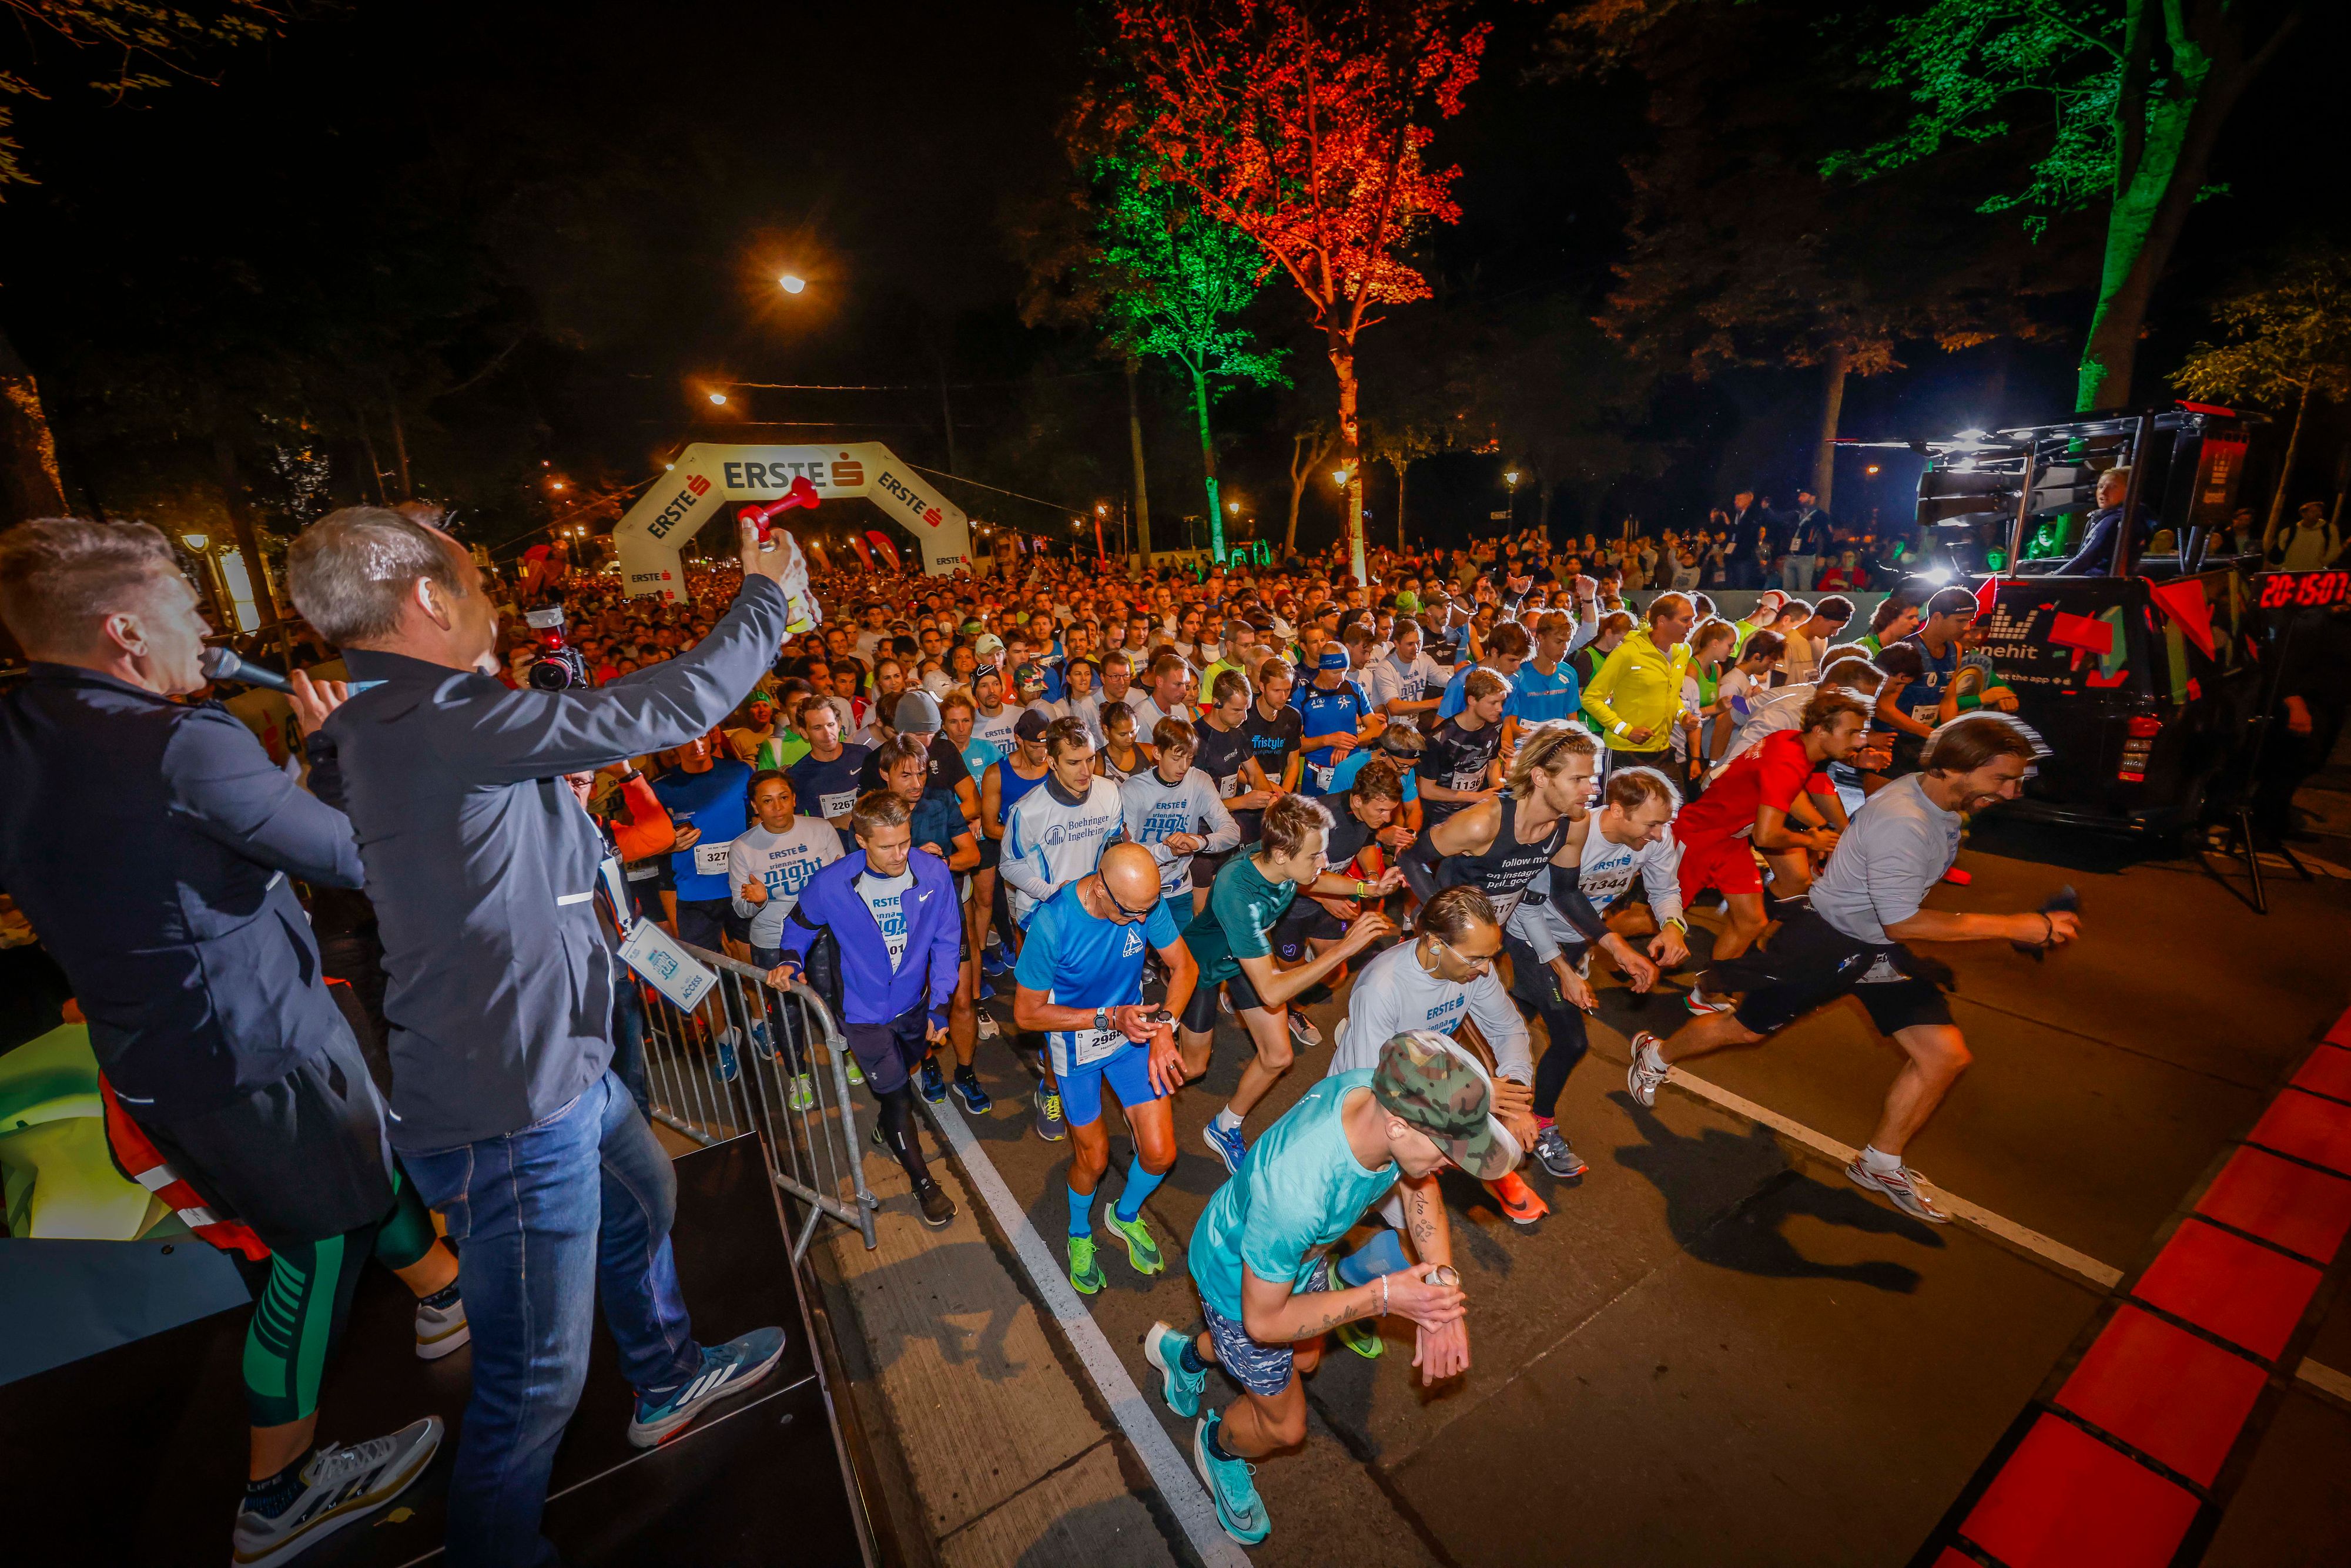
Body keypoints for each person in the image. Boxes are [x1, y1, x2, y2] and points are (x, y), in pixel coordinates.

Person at [287, 506, 797, 1567]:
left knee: (647, 1195)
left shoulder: (379, 718)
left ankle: (665, 1379)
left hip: (563, 1065)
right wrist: (766, 591)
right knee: (533, 1382)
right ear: (427, 599)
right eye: (472, 581)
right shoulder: (442, 710)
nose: (493, 598)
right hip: (513, 1104)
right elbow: (682, 698)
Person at [0, 518, 461, 1568]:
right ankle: (281, 1492)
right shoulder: (183, 741)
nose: (206, 626)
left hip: (153, 1054)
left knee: (354, 1177)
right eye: (186, 604)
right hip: (259, 1052)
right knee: (316, 1249)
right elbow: (353, 856)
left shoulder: (18, 730)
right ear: (123, 628)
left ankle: (442, 1291)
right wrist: (337, 755)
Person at [1630, 713, 2075, 1222]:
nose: (2013, 791)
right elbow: (1905, 922)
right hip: (1825, 944)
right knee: (1745, 1031)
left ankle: (1880, 1162)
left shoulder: (1938, 799)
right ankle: (1657, 1053)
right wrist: (2013, 927)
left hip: (1876, 950)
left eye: (2016, 779)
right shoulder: (1905, 822)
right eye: (2001, 779)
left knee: (1943, 1056)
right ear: (1955, 767)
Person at [1141, 1031, 1505, 1546]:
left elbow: (1422, 1190)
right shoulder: (1300, 1188)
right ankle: (1220, 1447)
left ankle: (1190, 1356)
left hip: (1295, 1259)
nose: (1452, 1164)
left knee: (1305, 1362)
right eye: (1450, 1151)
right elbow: (1263, 1322)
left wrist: (1441, 1291)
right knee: (1285, 1429)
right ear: (1400, 1127)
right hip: (1239, 1285)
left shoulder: (1378, 1099)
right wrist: (1384, 1297)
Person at [767, 789, 964, 1228]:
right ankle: (923, 1183)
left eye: (905, 842)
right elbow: (797, 927)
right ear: (861, 841)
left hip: (914, 1007)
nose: (900, 855)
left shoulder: (933, 874)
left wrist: (939, 1007)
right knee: (898, 1096)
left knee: (904, 1074)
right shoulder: (831, 884)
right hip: (862, 1014)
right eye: (887, 846)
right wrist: (788, 959)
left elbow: (947, 944)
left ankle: (886, 1128)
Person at [1012, 842, 1201, 1293]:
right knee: (1092, 1160)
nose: (1142, 922)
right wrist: (1106, 1017)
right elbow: (1026, 1014)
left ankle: (1124, 1216)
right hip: (1076, 1045)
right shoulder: (1053, 923)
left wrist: (1163, 1027)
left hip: (1131, 1030)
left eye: (1147, 911)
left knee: (1160, 1153)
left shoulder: (1141, 900)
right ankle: (1079, 1231)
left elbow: (1185, 967)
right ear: (1101, 888)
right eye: (1133, 912)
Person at [1177, 793, 1403, 1171]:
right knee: (1192, 1068)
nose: (1324, 862)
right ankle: (1143, 1071)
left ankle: (1225, 1127)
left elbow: (1313, 879)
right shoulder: (1240, 893)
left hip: (1249, 960)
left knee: (1278, 1056)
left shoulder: (1282, 864)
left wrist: (1368, 888)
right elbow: (1272, 990)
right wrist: (1344, 949)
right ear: (1283, 854)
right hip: (1204, 966)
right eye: (1315, 855)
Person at [1504, 766, 1687, 1179]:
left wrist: (1673, 926)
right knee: (1570, 1040)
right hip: (1529, 936)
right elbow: (1531, 906)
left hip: (1578, 940)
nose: (1659, 835)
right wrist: (1566, 970)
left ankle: (1448, 1056)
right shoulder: (1571, 834)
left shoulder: (1656, 838)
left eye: (1664, 824)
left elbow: (1665, 889)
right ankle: (1541, 1125)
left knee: (1516, 1017)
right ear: (1618, 811)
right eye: (1652, 824)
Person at [1330, 887, 1546, 1230]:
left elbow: (1508, 1030)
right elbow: (1375, 1086)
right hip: (1370, 1107)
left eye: (1492, 956)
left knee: (1411, 1225)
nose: (1487, 969)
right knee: (1346, 1215)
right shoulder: (1382, 989)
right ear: (1434, 944)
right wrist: (1474, 1096)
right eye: (1476, 958)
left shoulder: (1475, 970)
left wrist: (1515, 1099)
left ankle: (1351, 1274)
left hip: (1433, 1093)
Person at [1676, 688, 1870, 1006]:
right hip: (1699, 838)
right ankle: (1582, 938)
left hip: (1730, 842)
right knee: (1661, 918)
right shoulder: (1789, 762)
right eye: (1852, 733)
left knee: (1751, 921)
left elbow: (1799, 792)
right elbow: (1767, 837)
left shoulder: (1792, 741)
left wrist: (1826, 830)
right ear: (1820, 731)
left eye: (1861, 733)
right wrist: (1813, 840)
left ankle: (1705, 993)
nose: (1859, 741)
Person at [1003, 717, 1130, 1140]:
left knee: (1099, 1001)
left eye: (1090, 759)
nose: (1084, 771)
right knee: (1052, 1011)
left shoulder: (1111, 793)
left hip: (1099, 915)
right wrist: (1054, 894)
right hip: (1046, 921)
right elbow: (1009, 864)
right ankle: (1052, 1085)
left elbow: (1114, 847)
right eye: (1073, 761)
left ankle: (1102, 1076)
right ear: (1050, 762)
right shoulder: (1028, 811)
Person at [728, 769, 841, 1110]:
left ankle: (848, 1055)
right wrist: (757, 900)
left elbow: (841, 886)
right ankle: (798, 1076)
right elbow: (741, 909)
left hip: (821, 934)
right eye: (767, 800)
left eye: (783, 797)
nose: (777, 807)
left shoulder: (821, 829)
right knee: (787, 1013)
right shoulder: (743, 847)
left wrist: (772, 891)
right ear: (755, 806)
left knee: (836, 999)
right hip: (772, 941)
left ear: (794, 799)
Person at [1121, 718, 1243, 926]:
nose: (1184, 766)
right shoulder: (1133, 789)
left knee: (1182, 958)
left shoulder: (1199, 781)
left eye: (1190, 758)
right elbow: (1126, 853)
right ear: (1158, 753)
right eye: (1177, 758)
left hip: (1180, 892)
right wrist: (1168, 852)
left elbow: (1232, 832)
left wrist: (1199, 842)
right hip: (1139, 891)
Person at [651, 731, 752, 951]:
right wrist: (669, 846)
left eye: (703, 736)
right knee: (703, 969)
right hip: (695, 894)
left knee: (757, 967)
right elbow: (646, 841)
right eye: (688, 739)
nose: (697, 745)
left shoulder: (739, 772)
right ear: (674, 745)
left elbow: (756, 821)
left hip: (742, 887)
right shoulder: (660, 787)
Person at [1582, 592, 1695, 776]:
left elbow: (1670, 694)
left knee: (1675, 804)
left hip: (1663, 751)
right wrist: (1627, 731)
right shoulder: (1627, 652)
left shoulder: (1683, 651)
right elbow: (1591, 699)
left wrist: (1682, 715)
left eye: (1692, 619)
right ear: (1662, 621)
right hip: (1625, 753)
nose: (1691, 625)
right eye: (1685, 620)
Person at [1416, 668, 1509, 823]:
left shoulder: (1495, 726)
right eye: (1493, 703)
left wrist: (1500, 790)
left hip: (1474, 810)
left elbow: (1492, 766)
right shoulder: (1440, 739)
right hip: (1441, 817)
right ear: (1472, 700)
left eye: (1502, 702)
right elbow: (1426, 790)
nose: (1500, 709)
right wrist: (1477, 797)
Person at [786, 692, 870, 846]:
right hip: (831, 853)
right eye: (817, 728)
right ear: (804, 732)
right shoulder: (797, 775)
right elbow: (798, 829)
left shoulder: (863, 755)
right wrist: (835, 822)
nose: (827, 734)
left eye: (830, 725)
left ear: (839, 724)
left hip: (870, 848)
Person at [2055, 464, 2156, 574]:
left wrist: (2053, 578)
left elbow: (2086, 559)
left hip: (2097, 584)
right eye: (2100, 486)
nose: (2103, 492)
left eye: (2113, 487)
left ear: (2131, 490)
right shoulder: (2134, 517)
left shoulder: (2115, 521)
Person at [1786, 490, 1834, 592]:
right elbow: (1780, 520)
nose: (1800, 499)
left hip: (1806, 557)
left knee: (1804, 589)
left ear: (1813, 497)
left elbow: (1829, 536)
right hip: (1790, 555)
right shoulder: (1797, 514)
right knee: (1787, 589)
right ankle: (1788, 608)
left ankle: (1805, 608)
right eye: (1799, 496)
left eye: (1803, 496)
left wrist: (1823, 556)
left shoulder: (1820, 515)